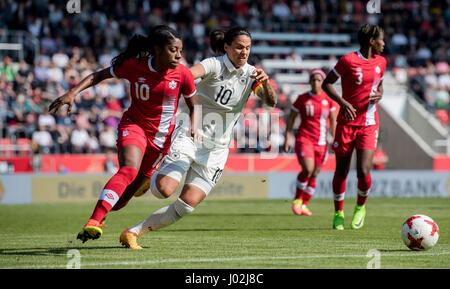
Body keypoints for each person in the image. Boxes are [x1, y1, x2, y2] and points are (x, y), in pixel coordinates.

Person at [118, 27, 277, 249]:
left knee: (187, 204)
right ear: (226, 47)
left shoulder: (251, 75)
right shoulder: (213, 65)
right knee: (164, 189)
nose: (244, 52)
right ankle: (148, 177)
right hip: (190, 133)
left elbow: (271, 102)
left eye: (248, 48)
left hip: (217, 147)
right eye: (239, 47)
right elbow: (184, 75)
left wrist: (266, 83)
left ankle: (133, 233)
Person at [48, 25, 197, 242]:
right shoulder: (134, 66)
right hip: (134, 126)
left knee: (123, 200)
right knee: (128, 171)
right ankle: (94, 221)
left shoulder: (182, 73)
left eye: (180, 50)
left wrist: (195, 126)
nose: (179, 55)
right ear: (157, 49)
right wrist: (73, 92)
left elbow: (195, 105)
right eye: (173, 50)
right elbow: (98, 75)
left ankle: (104, 214)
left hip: (160, 141)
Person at [322, 24, 386, 230]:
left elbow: (379, 83)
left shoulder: (382, 62)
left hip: (369, 123)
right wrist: (343, 103)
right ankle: (339, 212)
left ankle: (360, 207)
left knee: (363, 170)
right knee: (341, 169)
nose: (384, 43)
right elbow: (326, 83)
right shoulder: (348, 60)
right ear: (371, 41)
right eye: (381, 39)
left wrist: (381, 93)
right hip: (347, 123)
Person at [283, 69, 337, 216]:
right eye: (313, 80)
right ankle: (297, 200)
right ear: (309, 82)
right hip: (304, 138)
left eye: (319, 80)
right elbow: (291, 118)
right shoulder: (302, 99)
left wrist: (335, 139)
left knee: (314, 174)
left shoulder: (329, 100)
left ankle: (304, 204)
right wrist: (288, 136)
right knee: (308, 169)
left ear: (323, 82)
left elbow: (332, 121)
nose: (315, 82)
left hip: (322, 142)